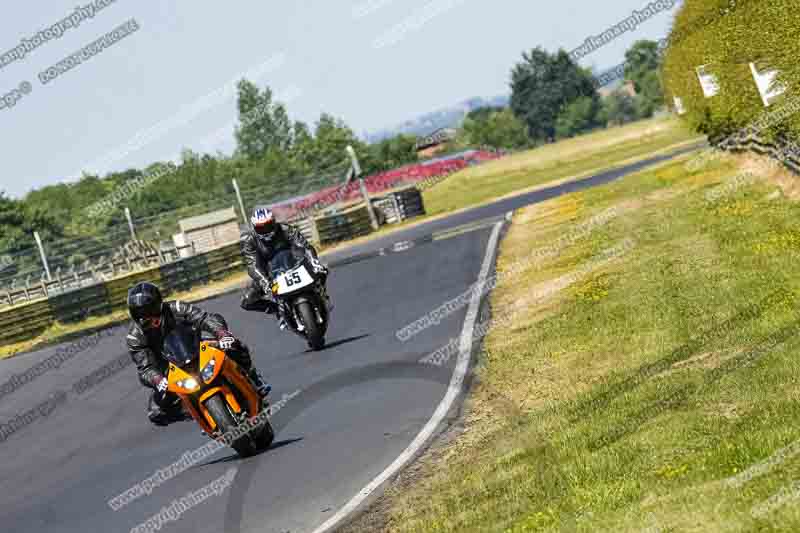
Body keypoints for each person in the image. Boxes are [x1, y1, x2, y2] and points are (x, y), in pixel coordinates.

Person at [126, 282, 271, 426]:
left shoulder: (176, 308)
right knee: (156, 412)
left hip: (198, 348)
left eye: (150, 311)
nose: (147, 318)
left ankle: (253, 377)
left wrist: (222, 334)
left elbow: (204, 318)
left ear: (158, 304)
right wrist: (157, 379)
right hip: (170, 369)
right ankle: (193, 412)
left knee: (233, 346)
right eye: (141, 314)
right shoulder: (135, 337)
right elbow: (144, 367)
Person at [239, 207, 329, 330]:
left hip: (294, 265)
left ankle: (321, 292)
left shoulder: (285, 229)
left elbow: (304, 245)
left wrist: (313, 261)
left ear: (274, 222)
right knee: (247, 301)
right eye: (261, 228)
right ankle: (277, 310)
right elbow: (252, 265)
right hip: (269, 274)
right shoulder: (250, 242)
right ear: (254, 228)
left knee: (322, 269)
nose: (266, 230)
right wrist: (264, 281)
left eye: (268, 225)